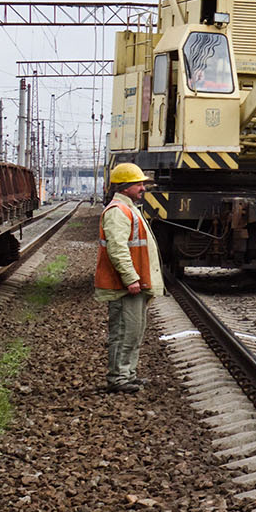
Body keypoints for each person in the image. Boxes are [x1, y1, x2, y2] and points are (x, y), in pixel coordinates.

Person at [95, 162, 165, 394]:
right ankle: (119, 378)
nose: (143, 188)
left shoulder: (129, 208)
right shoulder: (118, 211)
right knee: (124, 331)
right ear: (125, 187)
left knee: (134, 331)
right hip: (125, 286)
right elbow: (117, 249)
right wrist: (130, 278)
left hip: (135, 283)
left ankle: (128, 374)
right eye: (139, 184)